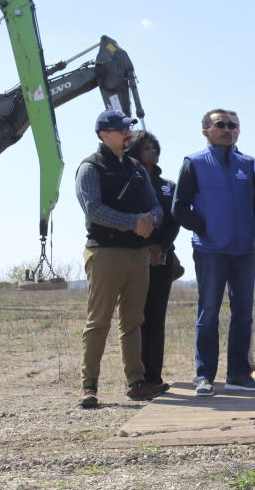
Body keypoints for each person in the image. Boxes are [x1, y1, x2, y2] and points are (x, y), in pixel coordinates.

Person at [173, 108, 255, 396]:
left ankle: (238, 375)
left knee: (243, 313)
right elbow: (179, 208)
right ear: (206, 131)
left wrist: (252, 232)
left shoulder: (249, 164)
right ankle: (204, 377)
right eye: (220, 125)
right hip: (210, 250)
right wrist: (204, 228)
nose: (228, 129)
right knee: (209, 312)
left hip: (243, 251)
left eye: (233, 125)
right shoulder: (194, 162)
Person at [74, 109, 164, 408]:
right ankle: (89, 386)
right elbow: (94, 210)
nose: (128, 133)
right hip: (105, 253)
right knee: (98, 321)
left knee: (133, 321)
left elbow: (155, 204)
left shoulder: (137, 167)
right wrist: (133, 222)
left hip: (138, 254)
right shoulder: (90, 167)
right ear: (104, 134)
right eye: (121, 129)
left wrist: (150, 219)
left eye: (128, 129)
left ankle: (136, 382)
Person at [126, 130, 182, 392]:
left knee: (156, 318)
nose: (153, 152)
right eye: (147, 148)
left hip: (162, 259)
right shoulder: (126, 182)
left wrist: (161, 247)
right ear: (136, 150)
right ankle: (136, 377)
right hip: (133, 256)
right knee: (135, 318)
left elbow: (173, 221)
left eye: (155, 148)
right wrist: (145, 247)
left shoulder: (168, 186)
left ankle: (154, 377)